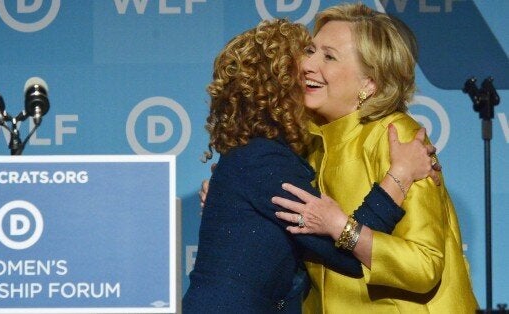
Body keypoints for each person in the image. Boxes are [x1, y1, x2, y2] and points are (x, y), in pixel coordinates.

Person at [183, 18, 437, 313]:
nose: (310, 68)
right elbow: (347, 257)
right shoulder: (263, 160)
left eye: (326, 56)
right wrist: (400, 175)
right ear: (280, 85)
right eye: (306, 57)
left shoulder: (268, 156)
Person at [271, 3, 477, 312]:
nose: (307, 65)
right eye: (311, 51)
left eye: (328, 56)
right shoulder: (308, 143)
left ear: (369, 83)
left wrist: (342, 227)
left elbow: (423, 265)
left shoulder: (399, 138)